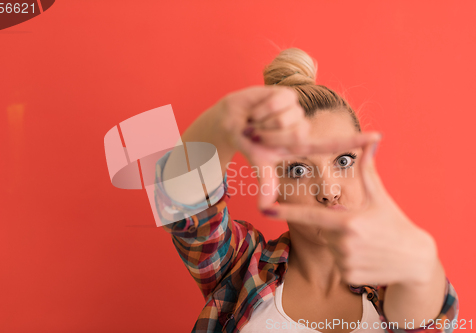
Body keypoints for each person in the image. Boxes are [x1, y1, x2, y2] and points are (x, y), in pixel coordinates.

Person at [154, 48, 459, 333]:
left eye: (343, 160)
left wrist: (422, 262)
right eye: (298, 170)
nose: (328, 190)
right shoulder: (241, 269)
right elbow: (185, 208)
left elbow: (427, 318)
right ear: (272, 185)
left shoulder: (392, 283)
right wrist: (222, 120)